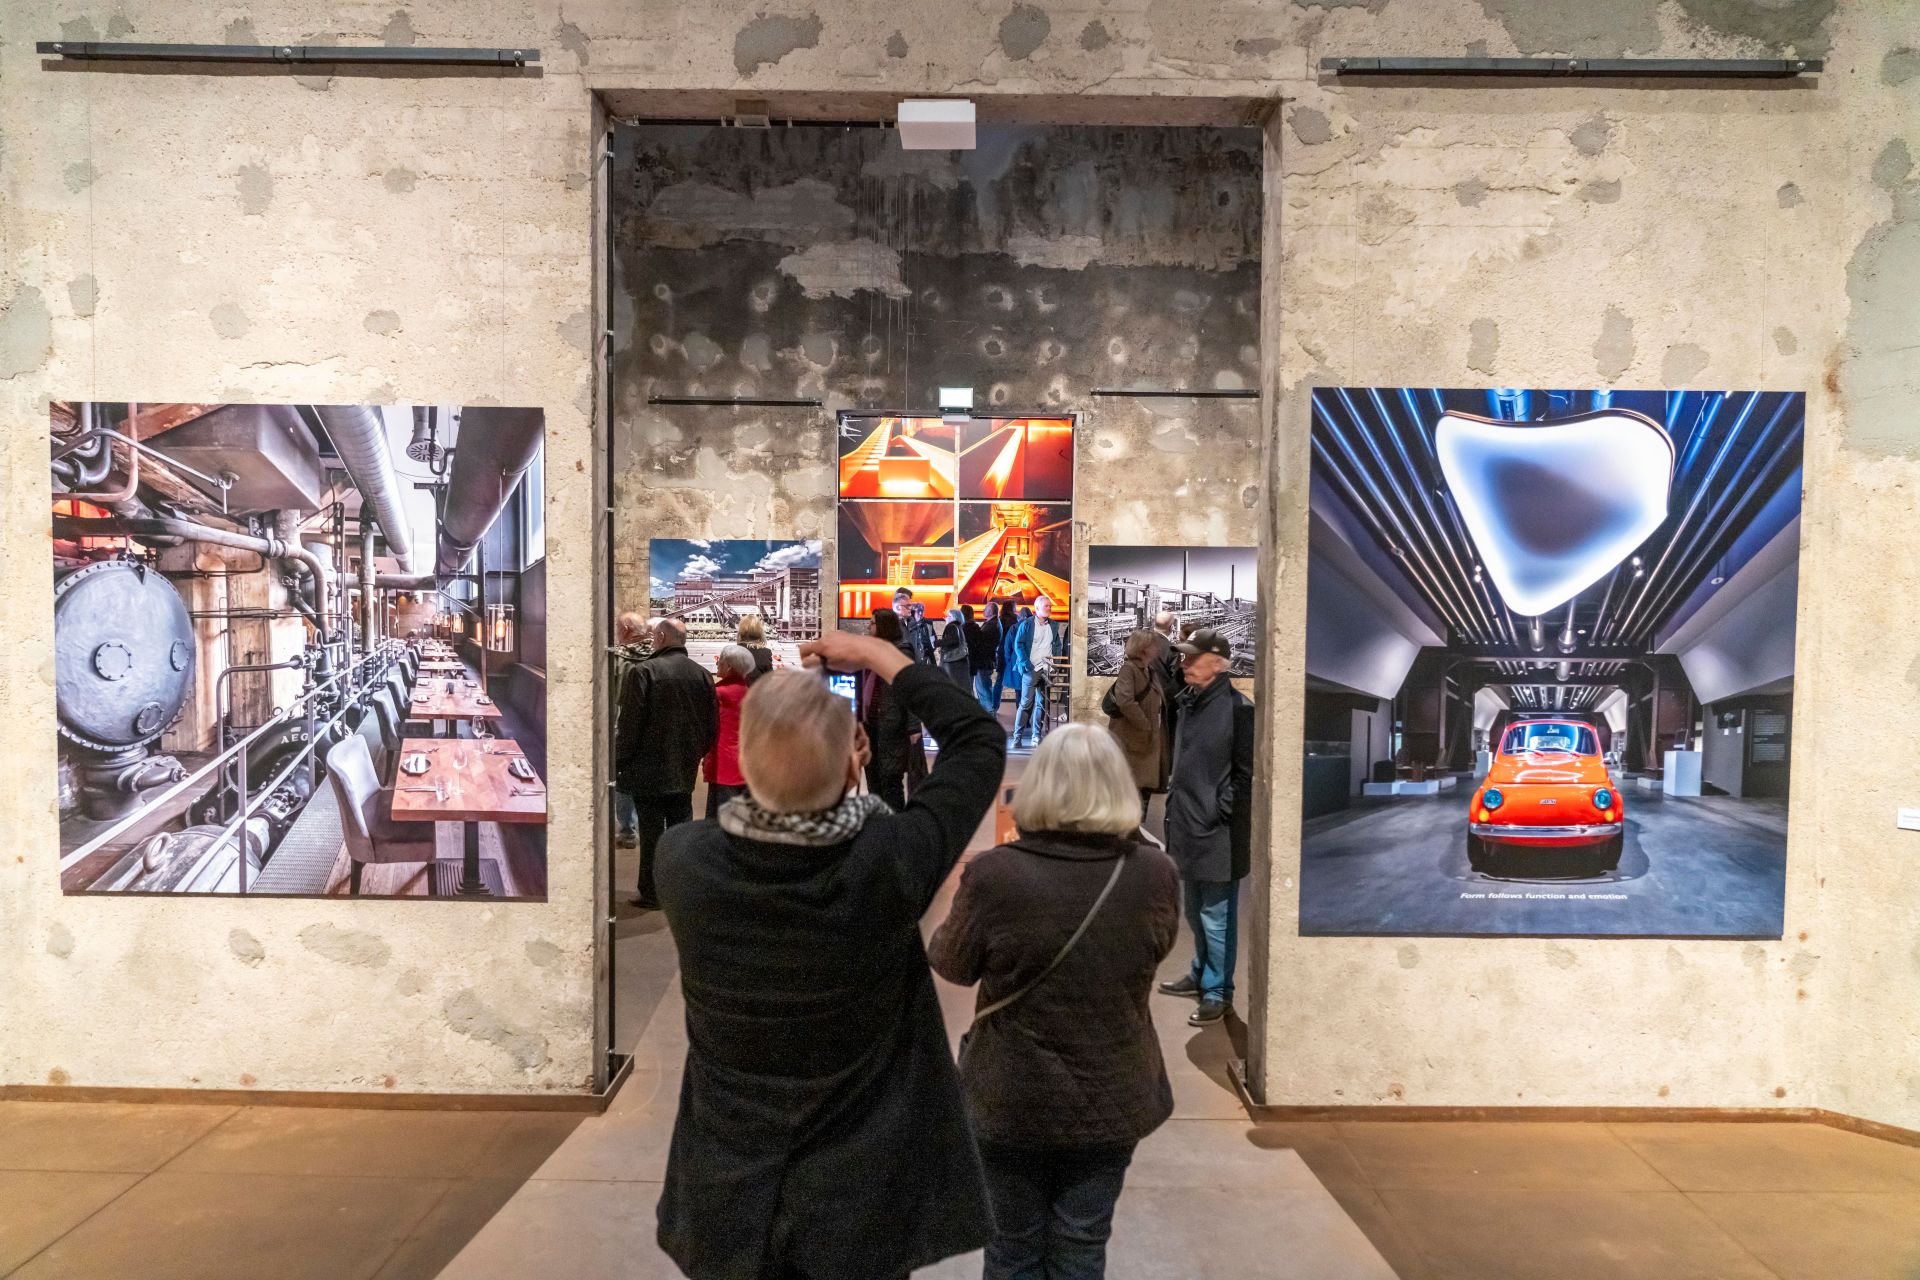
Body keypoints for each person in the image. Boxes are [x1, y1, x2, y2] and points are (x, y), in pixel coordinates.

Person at [653, 630, 1008, 1280]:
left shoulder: (684, 863)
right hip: (862, 1202)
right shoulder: (889, 863)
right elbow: (979, 741)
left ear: (741, 760)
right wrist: (878, 656)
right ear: (853, 764)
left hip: (729, 1195)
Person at [928, 724, 1178, 1280]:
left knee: (1013, 1247)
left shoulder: (995, 876)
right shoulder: (1155, 874)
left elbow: (951, 964)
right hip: (1113, 1089)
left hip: (1012, 1093)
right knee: (1083, 1244)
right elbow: (1151, 954)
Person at [1158, 627, 1254, 1026]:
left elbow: (1245, 775)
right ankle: (1200, 973)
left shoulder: (1238, 709)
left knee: (1217, 915)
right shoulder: (1189, 702)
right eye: (1182, 656)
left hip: (1217, 833)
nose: (1183, 663)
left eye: (1191, 658)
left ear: (1217, 664)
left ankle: (1218, 991)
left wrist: (1219, 809)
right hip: (1186, 825)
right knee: (1196, 911)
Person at [615, 617, 718, 909]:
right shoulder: (702, 675)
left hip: (647, 769)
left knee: (651, 836)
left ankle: (651, 892)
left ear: (660, 636)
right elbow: (712, 725)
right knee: (682, 833)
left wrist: (619, 760)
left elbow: (630, 725)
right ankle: (681, 892)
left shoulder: (643, 671)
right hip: (684, 769)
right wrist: (695, 754)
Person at [860, 609, 920, 809]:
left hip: (892, 725)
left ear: (884, 626)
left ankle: (896, 831)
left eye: (873, 623)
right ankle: (879, 828)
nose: (869, 627)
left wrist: (914, 727)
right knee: (873, 780)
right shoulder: (872, 650)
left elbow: (912, 691)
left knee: (890, 781)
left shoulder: (901, 652)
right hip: (870, 724)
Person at [1107, 628, 1167, 822]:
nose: (1157, 648)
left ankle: (1137, 828)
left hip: (1144, 742)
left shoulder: (1149, 671)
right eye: (1152, 645)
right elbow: (1125, 701)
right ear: (1143, 648)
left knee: (1143, 787)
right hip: (1132, 741)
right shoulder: (1129, 669)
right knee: (1132, 787)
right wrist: (1145, 724)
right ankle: (1130, 831)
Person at [611, 611, 650, 849]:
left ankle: (627, 831)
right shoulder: (655, 656)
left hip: (621, 723)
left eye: (617, 628)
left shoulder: (616, 659)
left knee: (623, 780)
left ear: (625, 630)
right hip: (649, 726)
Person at [1008, 596, 1068, 750]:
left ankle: (1036, 735)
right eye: (1046, 606)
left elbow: (1056, 644)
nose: (1049, 608)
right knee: (1026, 704)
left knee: (1041, 704)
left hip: (1047, 669)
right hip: (1031, 669)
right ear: (1037, 609)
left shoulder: (1053, 625)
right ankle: (1017, 737)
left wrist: (1055, 664)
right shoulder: (1027, 624)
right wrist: (1026, 664)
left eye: (1050, 606)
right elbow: (1018, 644)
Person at [703, 644, 755, 819]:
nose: (717, 663)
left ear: (729, 666)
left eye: (721, 660)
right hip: (746, 762)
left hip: (722, 761)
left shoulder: (718, 693)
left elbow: (707, 726)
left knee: (717, 818)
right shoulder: (751, 692)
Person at [936, 605, 970, 687]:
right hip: (960, 660)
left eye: (948, 616)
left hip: (951, 660)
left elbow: (953, 640)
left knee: (950, 684)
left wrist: (938, 642)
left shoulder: (951, 626)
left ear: (953, 617)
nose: (945, 618)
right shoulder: (959, 626)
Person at [736, 613, 775, 683]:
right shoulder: (765, 653)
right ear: (759, 632)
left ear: (741, 632)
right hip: (757, 692)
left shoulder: (733, 652)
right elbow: (770, 679)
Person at [905, 600, 939, 665]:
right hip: (913, 658)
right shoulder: (907, 624)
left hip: (927, 657)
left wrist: (931, 648)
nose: (920, 613)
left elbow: (934, 639)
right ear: (913, 612)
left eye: (922, 611)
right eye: (918, 611)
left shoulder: (928, 623)